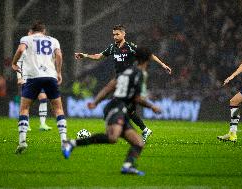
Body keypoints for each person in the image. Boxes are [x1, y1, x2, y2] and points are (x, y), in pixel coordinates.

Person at [62, 47, 161, 175]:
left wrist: (95, 102)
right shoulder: (141, 74)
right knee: (112, 137)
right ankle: (71, 143)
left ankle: (128, 166)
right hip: (117, 107)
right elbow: (137, 98)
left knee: (138, 142)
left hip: (119, 108)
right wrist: (152, 106)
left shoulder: (126, 71)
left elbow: (109, 87)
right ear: (148, 60)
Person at [75, 24, 172, 143]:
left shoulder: (130, 47)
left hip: (129, 81)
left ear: (123, 34)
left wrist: (162, 64)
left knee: (121, 107)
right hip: (119, 80)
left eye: (117, 34)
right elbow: (98, 56)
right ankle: (141, 130)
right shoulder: (112, 47)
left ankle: (122, 131)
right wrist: (85, 55)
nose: (115, 36)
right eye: (114, 34)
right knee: (127, 109)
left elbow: (148, 55)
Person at [11, 21, 67, 153]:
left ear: (32, 30)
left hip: (32, 77)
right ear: (44, 31)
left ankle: (22, 141)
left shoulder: (26, 39)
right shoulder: (53, 40)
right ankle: (64, 141)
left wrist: (14, 63)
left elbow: (20, 49)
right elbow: (59, 55)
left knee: (24, 108)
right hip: (50, 76)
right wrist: (58, 72)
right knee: (58, 109)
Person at [16, 34, 52, 131]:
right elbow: (18, 63)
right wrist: (19, 77)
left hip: (38, 78)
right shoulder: (24, 50)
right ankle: (25, 124)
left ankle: (43, 124)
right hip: (27, 78)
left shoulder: (40, 53)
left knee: (43, 97)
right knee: (27, 102)